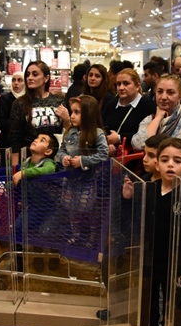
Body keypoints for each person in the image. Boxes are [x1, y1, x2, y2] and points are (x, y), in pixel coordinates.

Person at [125, 138, 181, 326]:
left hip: (177, 261)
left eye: (177, 161)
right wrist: (129, 198)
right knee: (149, 295)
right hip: (150, 257)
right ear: (157, 164)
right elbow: (136, 220)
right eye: (165, 159)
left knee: (177, 301)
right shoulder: (148, 188)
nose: (170, 165)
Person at [132, 74, 181, 189]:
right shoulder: (150, 118)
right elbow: (138, 144)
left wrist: (151, 149)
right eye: (160, 92)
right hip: (159, 181)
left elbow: (177, 150)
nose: (163, 97)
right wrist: (158, 118)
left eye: (170, 93)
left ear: (180, 96)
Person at [55, 95, 109, 247]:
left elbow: (104, 154)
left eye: (77, 112)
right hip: (69, 180)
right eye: (72, 112)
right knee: (72, 209)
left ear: (88, 114)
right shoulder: (70, 132)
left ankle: (92, 236)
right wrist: (64, 157)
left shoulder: (97, 133)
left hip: (88, 180)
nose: (72, 116)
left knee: (89, 209)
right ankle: (76, 234)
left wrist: (83, 161)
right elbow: (60, 151)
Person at [9, 60, 69, 165]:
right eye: (28, 75)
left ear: (46, 78)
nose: (30, 78)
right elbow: (15, 138)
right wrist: (15, 167)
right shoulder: (20, 103)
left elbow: (68, 133)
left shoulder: (58, 101)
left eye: (35, 74)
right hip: (30, 161)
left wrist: (67, 119)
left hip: (57, 159)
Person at [102, 68, 156, 156]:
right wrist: (107, 142)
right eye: (118, 84)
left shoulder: (147, 104)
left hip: (133, 156)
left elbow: (144, 135)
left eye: (126, 83)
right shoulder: (111, 104)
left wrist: (119, 138)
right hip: (109, 153)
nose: (121, 87)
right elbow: (101, 127)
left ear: (137, 86)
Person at [0, 72, 25, 167]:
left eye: (20, 80)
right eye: (14, 80)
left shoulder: (28, 99)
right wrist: (19, 123)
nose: (16, 83)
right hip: (7, 143)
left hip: (24, 143)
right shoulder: (4, 99)